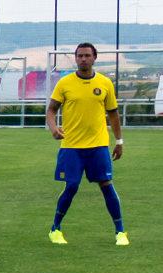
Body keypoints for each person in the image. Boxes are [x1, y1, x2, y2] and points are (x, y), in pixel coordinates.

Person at [46, 43, 128, 246]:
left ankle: (120, 232)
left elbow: (114, 115)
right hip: (71, 146)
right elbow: (51, 110)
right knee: (72, 186)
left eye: (87, 55)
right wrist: (54, 128)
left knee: (106, 185)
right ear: (75, 58)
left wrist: (119, 141)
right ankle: (55, 229)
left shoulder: (105, 83)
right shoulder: (65, 83)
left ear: (94, 58)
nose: (83, 59)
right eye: (80, 55)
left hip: (98, 145)